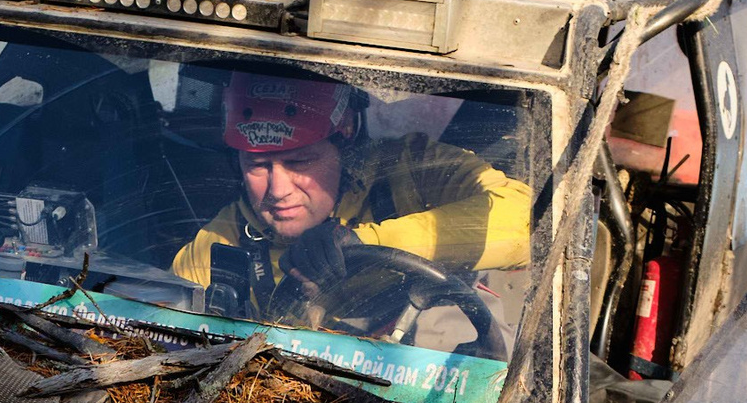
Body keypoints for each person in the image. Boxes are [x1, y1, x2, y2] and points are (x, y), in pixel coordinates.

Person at [170, 73, 534, 326]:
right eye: (258, 165)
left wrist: (362, 242)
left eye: (300, 162)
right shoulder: (219, 247)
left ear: (344, 144)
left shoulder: (412, 171)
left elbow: (531, 226)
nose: (278, 190)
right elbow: (165, 331)